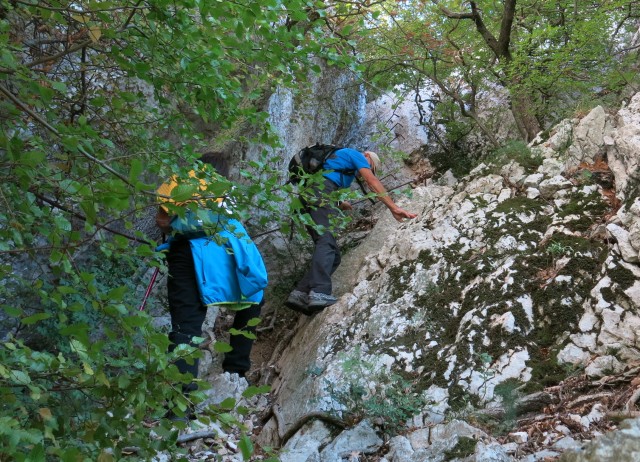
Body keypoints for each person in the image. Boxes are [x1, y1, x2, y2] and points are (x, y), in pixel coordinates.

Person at [156, 153, 267, 402]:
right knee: (253, 300)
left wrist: (174, 227)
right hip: (225, 252)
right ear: (223, 171)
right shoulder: (226, 190)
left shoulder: (179, 181)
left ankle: (179, 404)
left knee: (186, 326)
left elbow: (162, 220)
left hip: (187, 251)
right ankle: (236, 369)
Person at [285, 148, 417, 315]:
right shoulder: (356, 154)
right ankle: (319, 292)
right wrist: (394, 207)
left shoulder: (338, 163)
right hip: (319, 193)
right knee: (326, 243)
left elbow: (323, 185)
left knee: (334, 255)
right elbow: (371, 181)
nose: (364, 172)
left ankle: (300, 293)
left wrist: (340, 203)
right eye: (370, 166)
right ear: (368, 157)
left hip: (308, 197)